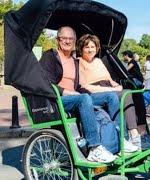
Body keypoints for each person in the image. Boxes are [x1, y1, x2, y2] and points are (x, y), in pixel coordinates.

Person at [39, 26, 117, 163]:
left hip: (76, 97)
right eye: (64, 38)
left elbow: (79, 87)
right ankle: (94, 148)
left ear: (75, 40)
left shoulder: (75, 60)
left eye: (71, 38)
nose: (67, 41)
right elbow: (45, 84)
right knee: (84, 99)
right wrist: (66, 92)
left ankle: (120, 138)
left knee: (111, 96)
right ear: (58, 40)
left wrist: (89, 92)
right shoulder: (49, 56)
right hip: (57, 99)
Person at [77, 34, 150, 150]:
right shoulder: (79, 62)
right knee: (125, 95)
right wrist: (112, 89)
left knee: (134, 92)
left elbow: (109, 79)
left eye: (93, 47)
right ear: (81, 48)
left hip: (109, 87)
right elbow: (85, 86)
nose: (90, 50)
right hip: (96, 92)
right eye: (87, 47)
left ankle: (141, 133)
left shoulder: (99, 61)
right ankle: (131, 136)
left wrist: (118, 86)